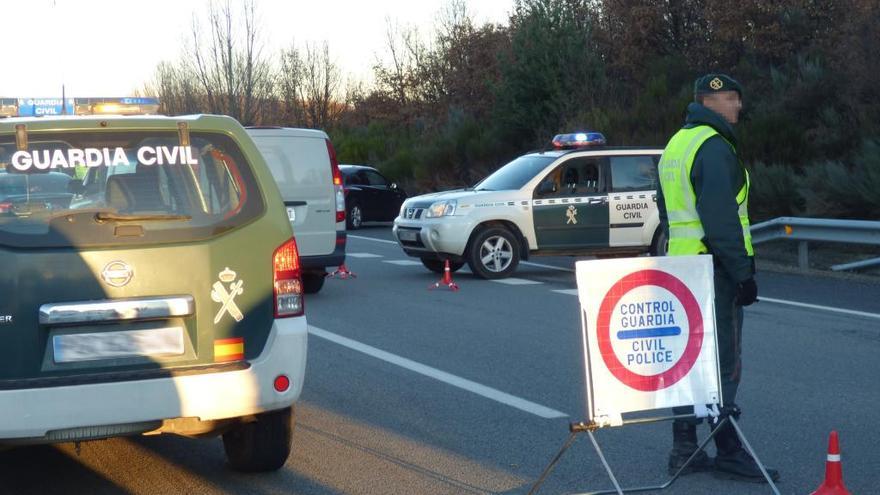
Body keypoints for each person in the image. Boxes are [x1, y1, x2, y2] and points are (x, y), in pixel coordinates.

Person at [656, 73, 780, 483]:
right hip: (715, 271)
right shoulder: (713, 147)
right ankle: (727, 448)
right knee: (723, 360)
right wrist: (743, 274)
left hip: (682, 267)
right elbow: (722, 218)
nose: (738, 106)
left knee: (689, 359)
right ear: (710, 101)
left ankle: (684, 448)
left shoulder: (677, 144)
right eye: (732, 98)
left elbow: (665, 209)